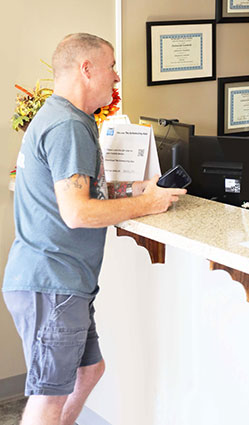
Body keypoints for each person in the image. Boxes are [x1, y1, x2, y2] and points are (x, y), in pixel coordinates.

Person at [2, 33, 186, 425]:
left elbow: (77, 192)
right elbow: (77, 212)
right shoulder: (68, 125)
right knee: (47, 401)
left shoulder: (64, 118)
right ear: (87, 69)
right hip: (52, 282)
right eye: (112, 66)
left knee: (90, 371)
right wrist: (147, 204)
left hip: (60, 283)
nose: (116, 78)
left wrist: (132, 189)